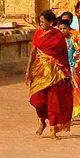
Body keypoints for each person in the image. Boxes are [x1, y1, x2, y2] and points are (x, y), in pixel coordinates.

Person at [25, 10, 73, 138]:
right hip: (39, 71)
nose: (40, 23)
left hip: (55, 73)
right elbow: (33, 52)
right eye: (39, 21)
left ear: (51, 22)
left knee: (53, 100)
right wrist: (28, 71)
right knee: (37, 100)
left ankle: (53, 127)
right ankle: (41, 119)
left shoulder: (58, 36)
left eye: (43, 21)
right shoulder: (38, 33)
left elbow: (63, 55)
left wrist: (66, 71)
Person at [57, 13, 80, 121]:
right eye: (60, 29)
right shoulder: (57, 38)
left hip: (73, 67)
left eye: (64, 29)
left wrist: (79, 57)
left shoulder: (75, 36)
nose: (62, 31)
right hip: (62, 68)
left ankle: (79, 110)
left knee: (76, 89)